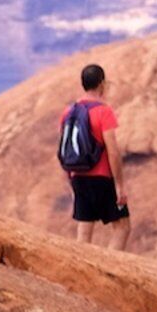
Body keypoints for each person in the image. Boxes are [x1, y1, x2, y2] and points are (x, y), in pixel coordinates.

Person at [57, 62, 129, 230]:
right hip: (101, 177)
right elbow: (113, 151)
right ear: (102, 83)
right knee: (123, 228)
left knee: (85, 229)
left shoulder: (69, 112)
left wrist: (71, 177)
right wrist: (119, 185)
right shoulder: (103, 111)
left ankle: (78, 258)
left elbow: (65, 148)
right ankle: (112, 257)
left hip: (78, 176)